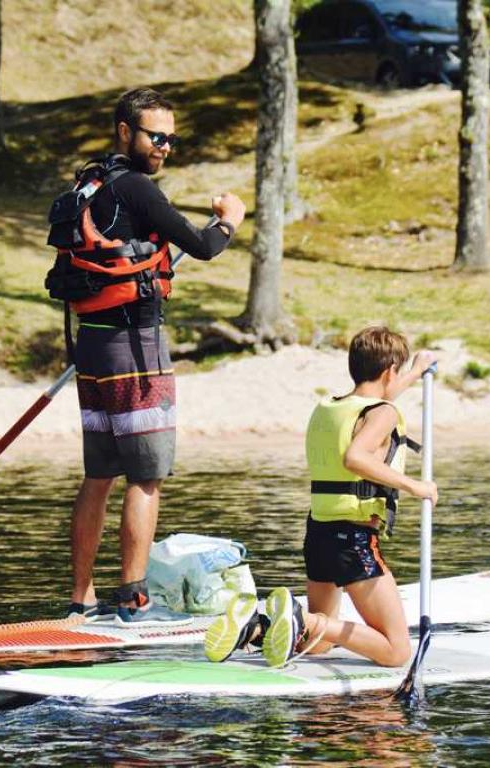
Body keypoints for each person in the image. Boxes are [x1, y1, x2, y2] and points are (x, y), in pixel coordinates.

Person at [64, 87, 246, 624]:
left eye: (171, 137)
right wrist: (229, 218)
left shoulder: (87, 187)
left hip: (92, 346)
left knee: (98, 475)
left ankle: (81, 598)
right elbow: (205, 245)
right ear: (125, 131)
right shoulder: (138, 189)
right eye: (155, 136)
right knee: (146, 477)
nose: (165, 146)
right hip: (137, 352)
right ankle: (133, 600)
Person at [204, 326, 437, 665]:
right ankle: (304, 618)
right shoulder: (382, 413)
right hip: (354, 539)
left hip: (319, 533)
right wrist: (415, 486)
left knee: (319, 644)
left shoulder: (331, 407)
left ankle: (255, 627)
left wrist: (415, 370)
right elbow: (355, 457)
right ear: (389, 371)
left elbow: (380, 402)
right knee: (396, 652)